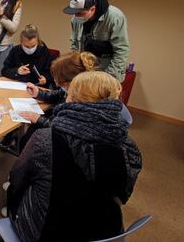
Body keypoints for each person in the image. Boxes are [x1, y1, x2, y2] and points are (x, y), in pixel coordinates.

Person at [7, 71, 142, 241]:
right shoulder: (129, 147)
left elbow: (17, 177)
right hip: (106, 232)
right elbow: (123, 195)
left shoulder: (45, 139)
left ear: (72, 97)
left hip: (49, 231)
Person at [0, 51, 96, 154]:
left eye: (58, 81)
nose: (56, 83)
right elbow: (58, 94)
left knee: (29, 140)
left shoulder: (84, 100)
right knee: (28, 135)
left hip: (62, 141)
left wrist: (38, 119)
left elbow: (63, 129)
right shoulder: (75, 87)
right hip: (53, 123)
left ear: (69, 82)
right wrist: (38, 93)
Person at [63, 0, 130, 82]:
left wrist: (107, 77)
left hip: (108, 72)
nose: (76, 16)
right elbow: (75, 44)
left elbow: (121, 50)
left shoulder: (115, 17)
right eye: (74, 13)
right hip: (86, 72)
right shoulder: (76, 19)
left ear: (92, 9)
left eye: (80, 13)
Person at [1, 24, 58, 88]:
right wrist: (17, 71)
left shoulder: (46, 52)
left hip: (39, 89)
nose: (30, 49)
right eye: (26, 46)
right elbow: (4, 71)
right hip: (18, 87)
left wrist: (46, 79)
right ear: (21, 42)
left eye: (33, 46)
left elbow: (54, 74)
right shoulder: (15, 51)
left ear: (38, 42)